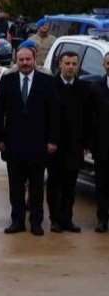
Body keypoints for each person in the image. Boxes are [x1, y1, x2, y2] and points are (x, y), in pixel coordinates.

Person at [0, 45, 58, 236]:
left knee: (37, 187)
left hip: (39, 144)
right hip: (13, 144)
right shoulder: (7, 80)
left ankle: (36, 222)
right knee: (15, 187)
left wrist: (52, 140)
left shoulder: (47, 81)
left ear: (34, 59)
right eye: (20, 60)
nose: (24, 63)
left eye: (27, 59)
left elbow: (54, 113)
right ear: (16, 60)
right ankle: (17, 221)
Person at [48, 51, 93, 234]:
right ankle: (55, 219)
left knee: (70, 184)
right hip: (54, 145)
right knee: (54, 183)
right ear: (60, 64)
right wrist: (48, 140)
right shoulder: (51, 86)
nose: (71, 67)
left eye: (74, 64)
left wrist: (86, 143)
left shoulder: (83, 88)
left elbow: (88, 117)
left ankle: (67, 218)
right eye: (67, 63)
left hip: (75, 145)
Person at [89, 52, 109, 233]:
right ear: (104, 65)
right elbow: (89, 118)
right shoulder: (96, 87)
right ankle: (102, 219)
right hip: (103, 146)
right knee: (101, 185)